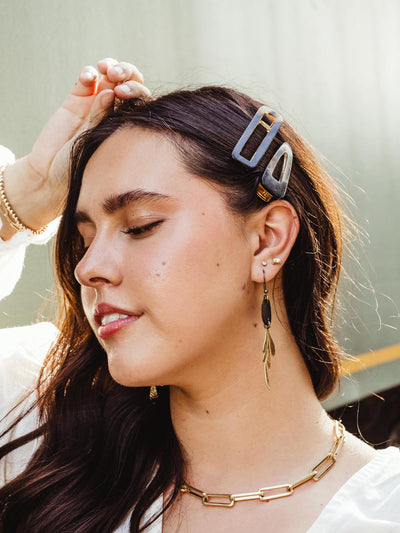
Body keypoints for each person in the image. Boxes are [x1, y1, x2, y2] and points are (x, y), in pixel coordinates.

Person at [0, 58, 399, 533]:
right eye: (84, 240)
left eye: (141, 226)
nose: (87, 268)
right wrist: (25, 195)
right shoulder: (41, 432)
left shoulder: (381, 514)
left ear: (267, 240)